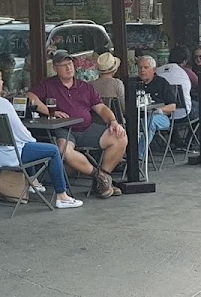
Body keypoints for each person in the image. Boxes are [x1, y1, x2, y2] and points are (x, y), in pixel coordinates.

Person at [0, 68, 83, 209]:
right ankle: (62, 196)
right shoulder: (2, 104)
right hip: (9, 156)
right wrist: (33, 141)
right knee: (52, 150)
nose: (2, 82)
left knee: (28, 145)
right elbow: (21, 132)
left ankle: (33, 182)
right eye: (0, 80)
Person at [27, 50, 128, 199]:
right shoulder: (48, 84)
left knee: (120, 137)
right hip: (63, 129)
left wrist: (113, 121)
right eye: (63, 65)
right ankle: (100, 177)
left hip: (87, 128)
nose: (68, 68)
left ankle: (103, 178)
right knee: (64, 151)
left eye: (70, 64)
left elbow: (101, 108)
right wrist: (50, 112)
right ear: (55, 68)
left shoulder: (85, 86)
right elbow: (30, 97)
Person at [136, 55, 178, 160]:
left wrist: (158, 110)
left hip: (161, 117)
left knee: (150, 121)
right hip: (138, 117)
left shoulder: (162, 83)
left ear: (154, 70)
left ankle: (138, 156)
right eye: (140, 67)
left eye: (146, 67)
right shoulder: (134, 83)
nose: (142, 70)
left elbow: (173, 107)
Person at [90, 52, 125, 116]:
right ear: (115, 70)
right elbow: (123, 107)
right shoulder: (117, 84)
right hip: (114, 120)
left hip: (95, 121)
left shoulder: (90, 85)